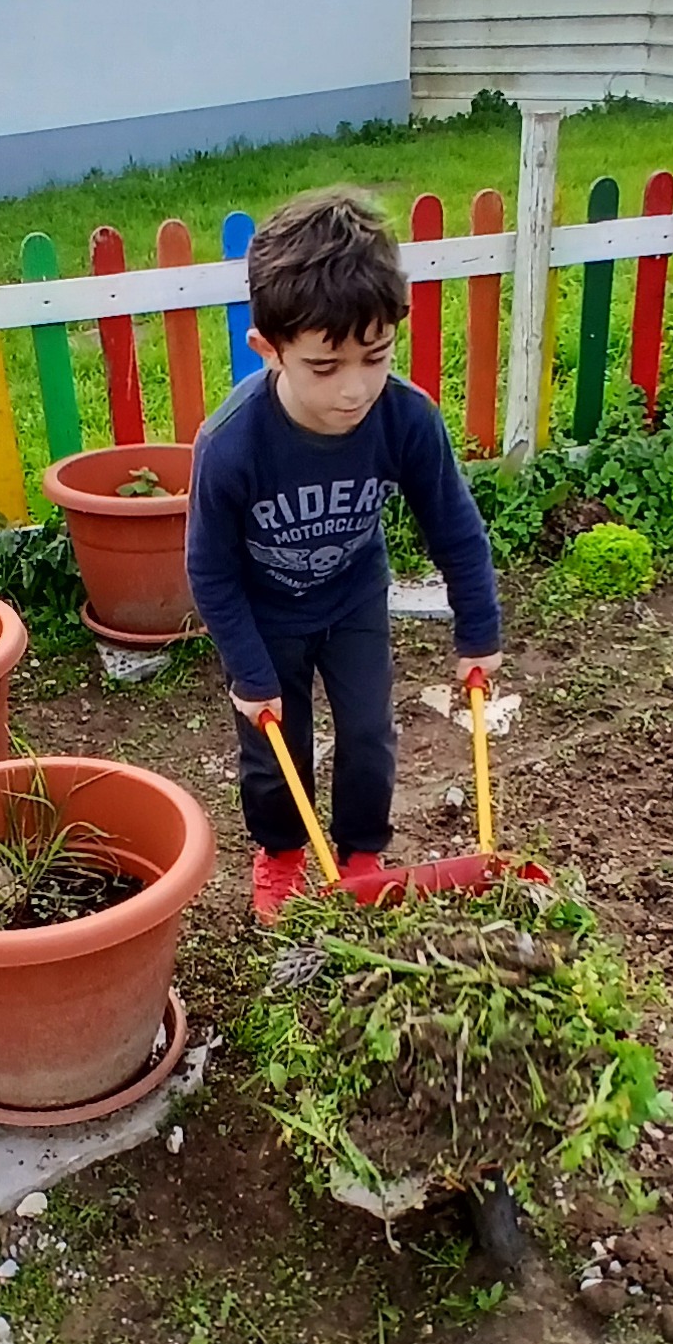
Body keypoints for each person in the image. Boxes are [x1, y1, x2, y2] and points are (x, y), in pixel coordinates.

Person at [187, 189, 503, 922]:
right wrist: (248, 671)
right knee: (277, 750)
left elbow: (452, 522)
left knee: (368, 731)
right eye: (325, 366)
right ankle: (283, 855)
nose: (355, 388)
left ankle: (362, 855)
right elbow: (209, 568)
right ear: (269, 349)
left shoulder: (405, 418)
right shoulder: (232, 443)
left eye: (375, 357)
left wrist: (478, 629)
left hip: (354, 595)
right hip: (268, 615)